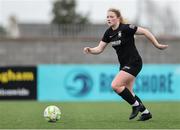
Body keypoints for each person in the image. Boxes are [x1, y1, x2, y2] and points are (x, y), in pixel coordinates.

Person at [83, 8, 168, 121]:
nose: (109, 19)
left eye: (111, 16)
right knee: (129, 93)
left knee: (115, 85)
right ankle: (146, 113)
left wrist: (157, 45)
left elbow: (145, 31)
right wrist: (90, 50)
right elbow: (99, 48)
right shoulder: (108, 33)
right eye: (107, 17)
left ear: (118, 18)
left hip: (134, 62)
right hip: (124, 65)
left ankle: (136, 106)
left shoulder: (126, 28)